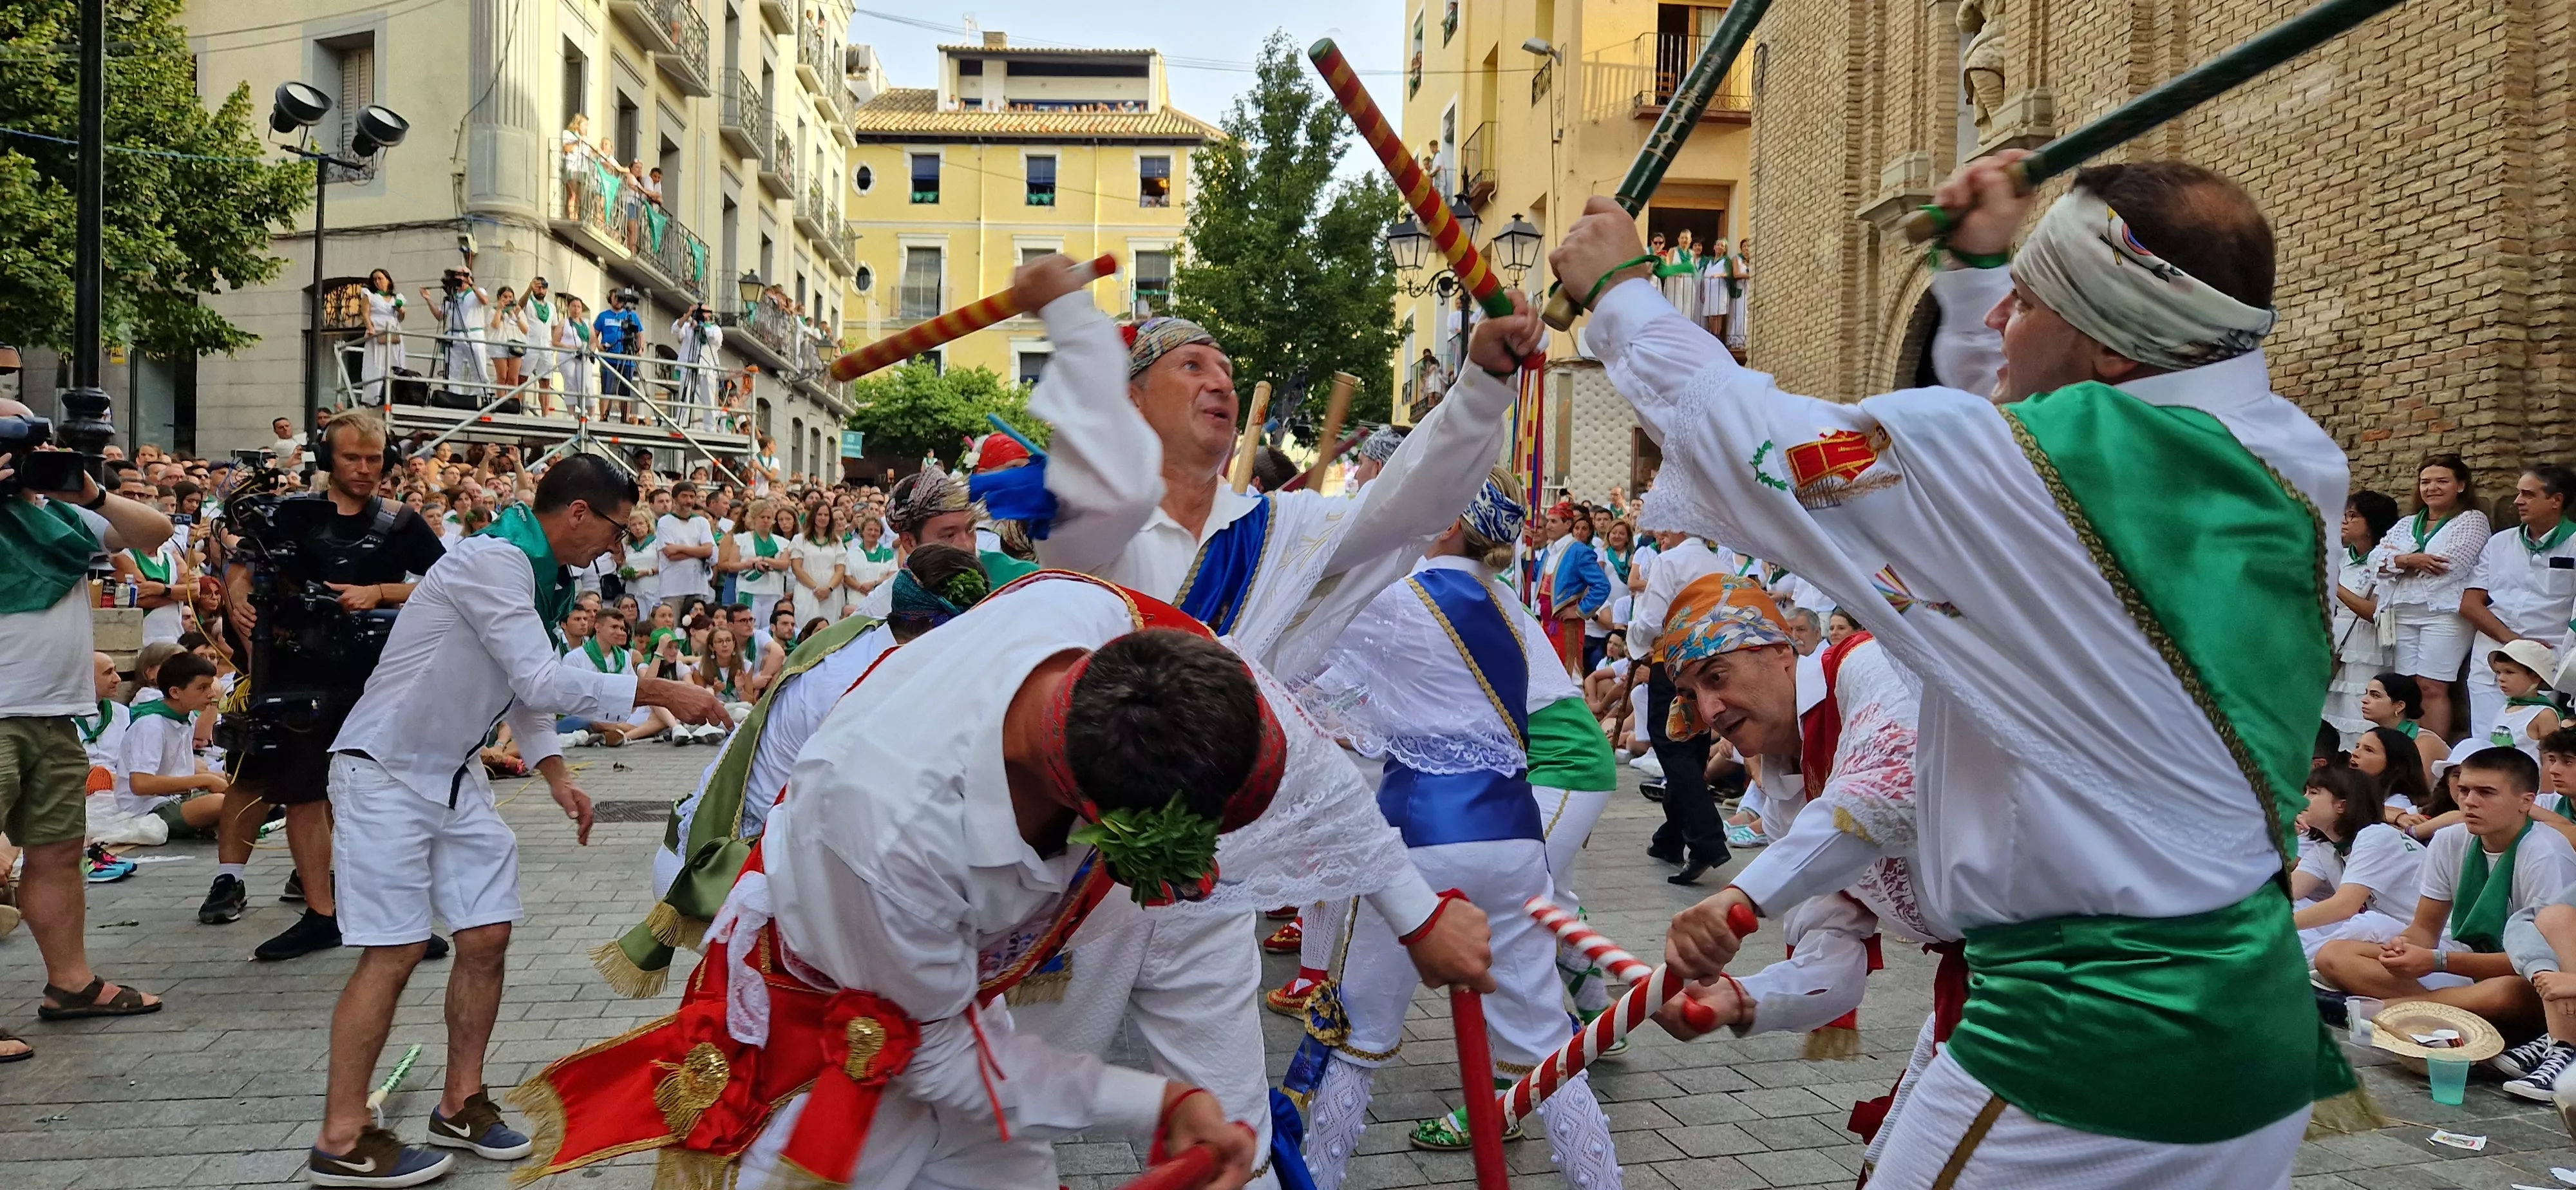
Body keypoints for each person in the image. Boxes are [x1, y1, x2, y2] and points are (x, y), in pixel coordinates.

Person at [1564, 151, 2355, 1183]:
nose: (1992, 329)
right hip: (2250, 1035)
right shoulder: (2290, 461)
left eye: (2022, 306)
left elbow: (1770, 448)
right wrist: (1984, 272)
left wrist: (1626, 297)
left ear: (2114, 352)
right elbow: (2008, 470)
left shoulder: (2036, 472)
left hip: (2084, 1042)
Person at [951, 254, 1518, 1184]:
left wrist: (1485, 385)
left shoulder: (1284, 534)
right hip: (1072, 880)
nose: (1218, 380)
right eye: (1191, 366)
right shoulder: (1092, 527)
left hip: (1212, 878)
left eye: (1224, 369)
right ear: (1133, 404)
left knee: (1230, 1139)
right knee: (1006, 1123)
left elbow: (1411, 498)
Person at [521, 574, 1306, 1190]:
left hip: (935, 1013)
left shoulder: (1087, 616)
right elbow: (948, 1065)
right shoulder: (890, 841)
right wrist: (1162, 1102)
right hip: (835, 1042)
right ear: (1092, 812)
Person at [305, 455, 725, 1186]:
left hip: (455, 773)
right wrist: (654, 687)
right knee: (396, 950)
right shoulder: (493, 560)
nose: (617, 550)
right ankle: (342, 1137)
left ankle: (459, 1102)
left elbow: (523, 684)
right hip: (384, 771)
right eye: (618, 531)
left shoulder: (544, 576)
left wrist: (556, 771)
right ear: (579, 514)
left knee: (487, 934)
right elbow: (539, 679)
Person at [1290, 477, 1622, 1187]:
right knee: (1544, 1052)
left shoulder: (1394, 599)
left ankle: (1317, 1176)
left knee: (1355, 1040)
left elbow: (1306, 671)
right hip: (1514, 840)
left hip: (1417, 843)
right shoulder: (1512, 609)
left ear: (1442, 523)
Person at [1636, 574, 1956, 1175]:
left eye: (1717, 677)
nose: (1708, 712)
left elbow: (1892, 785)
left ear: (1781, 654)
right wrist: (1737, 999)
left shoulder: (1864, 665)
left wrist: (1742, 896)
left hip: (2079, 963)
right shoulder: (1786, 797)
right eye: (1691, 695)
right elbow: (1836, 958)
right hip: (1992, 984)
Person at [207, 410, 451, 955]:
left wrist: (381, 592)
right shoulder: (290, 515)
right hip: (297, 672)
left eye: (373, 458)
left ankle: (390, 915)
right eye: (352, 458)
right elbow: (243, 565)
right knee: (303, 794)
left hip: (376, 676)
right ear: (327, 458)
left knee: (381, 797)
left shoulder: (401, 521)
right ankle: (322, 913)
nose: (365, 469)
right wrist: (240, 596)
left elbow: (451, 585)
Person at [0, 399, 176, 1059]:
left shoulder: (58, 514)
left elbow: (154, 530)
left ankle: (70, 985)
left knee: (56, 854)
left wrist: (89, 489)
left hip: (53, 711)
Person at [2315, 749, 2576, 1069]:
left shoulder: (2546, 852)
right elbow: (2425, 929)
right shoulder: (2450, 839)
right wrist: (2405, 949)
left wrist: (2438, 961)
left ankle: (2378, 1012)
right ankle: (2436, 1021)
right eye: (2464, 790)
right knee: (2334, 955)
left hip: (2527, 977)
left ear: (2526, 801)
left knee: (2508, 991)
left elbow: (2542, 964)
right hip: (2462, 966)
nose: (2469, 801)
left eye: (2486, 793)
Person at [1629, 529, 1730, 882]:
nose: (1659, 534)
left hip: (1672, 662)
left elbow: (1651, 619)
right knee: (1692, 747)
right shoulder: (1720, 565)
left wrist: (1635, 642)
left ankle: (1707, 839)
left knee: (1673, 749)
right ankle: (1671, 837)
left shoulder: (1669, 561)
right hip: (1710, 663)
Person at [2376, 453, 2490, 741]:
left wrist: (2399, 561)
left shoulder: (2472, 520)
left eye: (2442, 481)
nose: (2432, 488)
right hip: (2403, 612)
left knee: (2432, 686)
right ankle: (2408, 751)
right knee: (2407, 686)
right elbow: (2375, 560)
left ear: (2461, 485)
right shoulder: (2408, 522)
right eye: (2426, 482)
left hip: (2444, 614)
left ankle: (2433, 755)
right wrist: (2410, 561)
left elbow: (2450, 565)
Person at [2462, 465, 2576, 734]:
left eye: (2528, 494)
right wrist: (2514, 642)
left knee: (2531, 742)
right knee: (2487, 737)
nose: (2517, 501)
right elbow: (2469, 604)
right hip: (2493, 656)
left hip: (2544, 662)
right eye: (2518, 493)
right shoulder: (2499, 542)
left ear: (2556, 501)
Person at [2291, 766, 2425, 958]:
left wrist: (2277, 926)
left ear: (2342, 806)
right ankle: (2301, 961)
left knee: (2367, 924)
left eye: (2313, 793)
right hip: (2384, 936)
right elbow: (2286, 893)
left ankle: (2297, 963)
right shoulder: (2326, 849)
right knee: (2294, 906)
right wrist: (2285, 835)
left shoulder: (2377, 835)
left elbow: (2345, 906)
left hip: (2422, 938)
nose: (2302, 799)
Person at [109, 651, 227, 842]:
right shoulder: (151, 725)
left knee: (252, 789)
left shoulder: (186, 716)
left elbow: (179, 769)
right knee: (220, 804)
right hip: (146, 807)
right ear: (175, 692)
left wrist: (216, 779)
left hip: (179, 796)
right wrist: (204, 781)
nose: (211, 694)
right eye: (202, 688)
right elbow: (141, 784)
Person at [2329, 491, 2404, 745]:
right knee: (2331, 714)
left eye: (2353, 516)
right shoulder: (2339, 557)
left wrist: (2334, 586)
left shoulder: (2384, 561)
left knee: (2358, 708)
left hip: (2366, 644)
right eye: (2344, 515)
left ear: (2372, 523)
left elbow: (2375, 612)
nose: (2345, 521)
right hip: (2336, 643)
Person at [2479, 639, 2565, 762]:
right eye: (2498, 672)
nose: (2501, 678)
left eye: (2509, 672)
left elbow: (2552, 759)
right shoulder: (2505, 708)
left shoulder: (2544, 714)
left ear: (2536, 677)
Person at [422, 260, 493, 405]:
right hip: (454, 335)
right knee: (452, 370)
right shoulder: (452, 296)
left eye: (463, 276)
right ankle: (454, 398)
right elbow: (440, 316)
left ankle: (481, 397)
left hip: (474, 333)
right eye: (457, 276)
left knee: (478, 367)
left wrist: (471, 284)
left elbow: (485, 301)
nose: (460, 280)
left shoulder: (477, 292)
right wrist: (428, 299)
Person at [718, 498, 793, 627]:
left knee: (770, 629)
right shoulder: (741, 539)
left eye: (769, 517)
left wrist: (763, 560)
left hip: (773, 592)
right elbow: (732, 565)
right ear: (754, 518)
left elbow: (785, 564)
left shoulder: (782, 542)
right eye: (762, 517)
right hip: (749, 591)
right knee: (748, 628)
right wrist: (751, 565)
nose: (766, 520)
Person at [655, 480, 717, 614]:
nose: (689, 500)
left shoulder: (702, 522)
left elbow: (708, 550)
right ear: (675, 499)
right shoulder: (665, 522)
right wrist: (698, 552)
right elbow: (671, 555)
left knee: (697, 626)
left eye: (691, 496)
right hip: (673, 588)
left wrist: (680, 548)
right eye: (684, 496)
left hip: (697, 586)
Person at [791, 503, 851, 623]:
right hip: (808, 591)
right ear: (813, 516)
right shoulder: (800, 539)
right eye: (820, 514)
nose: (823, 518)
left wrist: (828, 589)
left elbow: (840, 569)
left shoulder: (837, 541)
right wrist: (816, 588)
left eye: (826, 515)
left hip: (832, 593)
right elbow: (796, 568)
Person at [359, 269, 408, 408]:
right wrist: (370, 327)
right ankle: (375, 397)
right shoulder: (369, 294)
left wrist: (401, 310)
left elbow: (401, 317)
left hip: (393, 333)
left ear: (388, 280)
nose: (377, 281)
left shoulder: (396, 297)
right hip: (378, 331)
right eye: (375, 279)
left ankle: (395, 395)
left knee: (394, 363)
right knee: (377, 363)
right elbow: (365, 312)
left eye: (380, 278)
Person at [593, 290, 644, 422]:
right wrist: (599, 346)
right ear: (610, 299)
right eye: (617, 297)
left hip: (627, 358)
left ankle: (625, 418)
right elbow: (593, 333)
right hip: (609, 357)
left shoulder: (631, 315)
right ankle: (604, 417)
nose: (619, 300)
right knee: (607, 389)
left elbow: (639, 333)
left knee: (626, 391)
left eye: (621, 298)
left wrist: (641, 348)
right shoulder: (603, 316)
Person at [672, 304, 724, 429]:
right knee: (685, 395)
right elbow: (675, 328)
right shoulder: (688, 327)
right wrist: (689, 314)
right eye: (700, 312)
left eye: (706, 312)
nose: (703, 314)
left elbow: (717, 339)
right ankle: (681, 423)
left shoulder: (715, 329)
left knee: (709, 400)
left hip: (708, 368)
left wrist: (702, 327)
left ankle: (710, 428)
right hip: (689, 365)